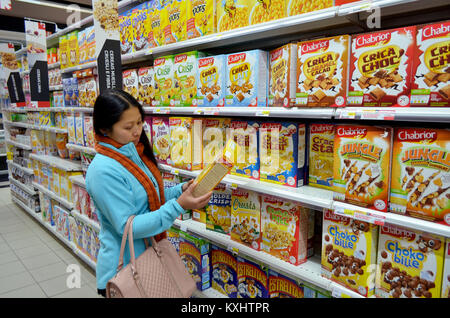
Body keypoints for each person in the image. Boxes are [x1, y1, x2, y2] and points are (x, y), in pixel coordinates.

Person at [85, 89, 212, 297]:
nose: (137, 131)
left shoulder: (133, 152)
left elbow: (149, 199)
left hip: (151, 259)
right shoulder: (102, 170)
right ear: (104, 129)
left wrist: (180, 191)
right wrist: (179, 206)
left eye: (139, 122)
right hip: (126, 271)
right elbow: (130, 227)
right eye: (128, 126)